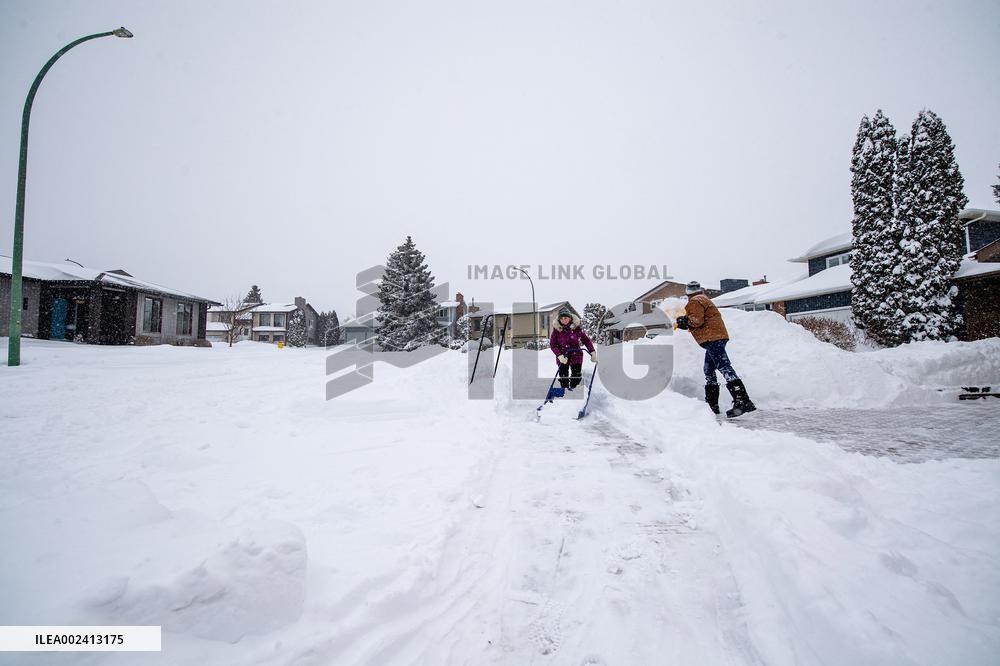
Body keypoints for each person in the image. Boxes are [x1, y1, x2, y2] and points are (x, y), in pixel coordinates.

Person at [676, 281, 756, 417]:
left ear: (687, 292)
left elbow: (696, 321)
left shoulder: (695, 301)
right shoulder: (703, 298)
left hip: (712, 338)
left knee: (724, 367)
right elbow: (700, 319)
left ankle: (743, 400)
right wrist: (687, 321)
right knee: (709, 369)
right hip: (716, 336)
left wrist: (684, 321)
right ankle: (712, 406)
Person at [549, 308, 597, 390]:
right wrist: (559, 356)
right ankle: (564, 391)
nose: (564, 320)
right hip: (563, 356)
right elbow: (553, 345)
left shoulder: (576, 329)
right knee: (563, 375)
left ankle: (574, 390)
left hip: (576, 355)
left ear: (570, 318)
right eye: (562, 318)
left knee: (576, 375)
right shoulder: (556, 331)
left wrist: (592, 351)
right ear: (559, 319)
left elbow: (586, 340)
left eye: (566, 318)